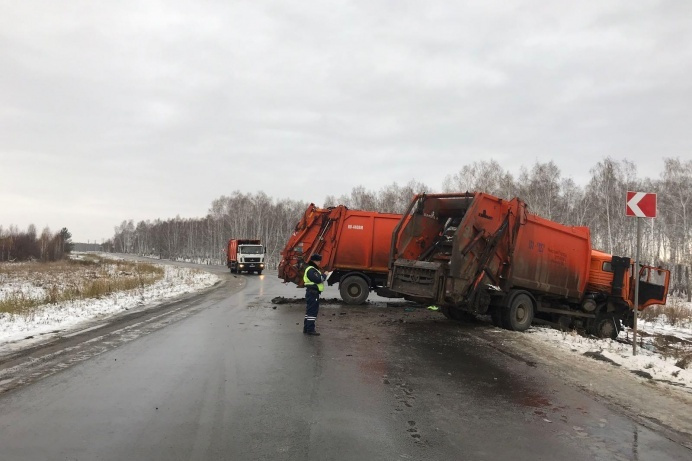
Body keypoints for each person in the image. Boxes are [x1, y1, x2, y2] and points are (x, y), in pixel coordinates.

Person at [303, 253, 327, 336]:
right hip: (312, 293)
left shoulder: (311, 269)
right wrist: (325, 275)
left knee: (309, 311)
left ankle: (306, 328)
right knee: (312, 311)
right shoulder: (311, 269)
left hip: (312, 292)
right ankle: (310, 329)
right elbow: (318, 279)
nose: (320, 263)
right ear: (315, 261)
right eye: (319, 261)